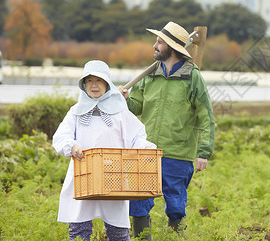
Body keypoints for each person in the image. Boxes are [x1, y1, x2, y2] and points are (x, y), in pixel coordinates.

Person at [118, 21, 215, 238]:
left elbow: (206, 117)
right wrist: (124, 99)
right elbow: (137, 106)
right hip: (146, 150)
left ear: (172, 47)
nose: (155, 45)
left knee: (175, 206)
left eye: (160, 42)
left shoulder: (192, 77)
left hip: (178, 154)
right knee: (139, 203)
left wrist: (204, 152)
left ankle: (175, 236)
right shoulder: (150, 75)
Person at [53, 60, 156, 241]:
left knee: (118, 232)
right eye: (89, 80)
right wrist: (73, 147)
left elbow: (137, 136)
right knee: (79, 229)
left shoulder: (120, 112)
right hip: (83, 176)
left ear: (107, 84)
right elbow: (61, 137)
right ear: (83, 85)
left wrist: (145, 148)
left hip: (113, 177)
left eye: (99, 80)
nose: (94, 85)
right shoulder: (75, 112)